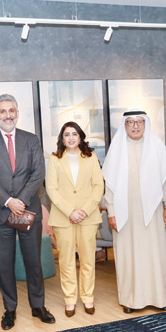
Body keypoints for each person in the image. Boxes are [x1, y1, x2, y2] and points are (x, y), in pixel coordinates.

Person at [0, 94, 55, 330]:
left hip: (27, 210)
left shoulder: (31, 140)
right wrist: (9, 201)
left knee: (33, 262)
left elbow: (38, 173)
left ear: (17, 113)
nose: (7, 115)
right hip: (1, 214)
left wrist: (20, 201)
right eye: (3, 111)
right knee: (5, 264)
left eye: (11, 110)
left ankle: (38, 306)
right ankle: (9, 310)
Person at [103, 110, 166, 313]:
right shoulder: (117, 150)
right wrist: (111, 212)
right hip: (125, 214)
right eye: (131, 122)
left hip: (153, 213)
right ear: (124, 125)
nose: (135, 126)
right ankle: (130, 300)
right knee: (129, 256)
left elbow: (164, 181)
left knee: (155, 255)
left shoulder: (157, 147)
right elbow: (110, 186)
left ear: (146, 124)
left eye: (139, 122)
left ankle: (158, 298)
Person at [45, 122, 104, 317]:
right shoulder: (55, 159)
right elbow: (51, 188)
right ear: (62, 139)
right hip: (63, 217)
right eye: (67, 134)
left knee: (88, 259)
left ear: (80, 137)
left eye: (74, 134)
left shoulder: (90, 157)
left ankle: (88, 297)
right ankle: (70, 299)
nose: (71, 138)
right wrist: (70, 211)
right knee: (66, 260)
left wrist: (84, 211)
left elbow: (98, 186)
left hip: (88, 217)